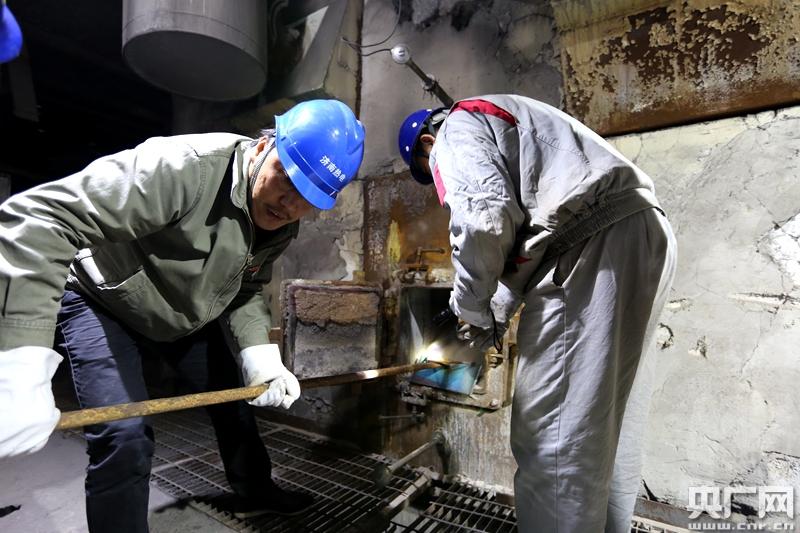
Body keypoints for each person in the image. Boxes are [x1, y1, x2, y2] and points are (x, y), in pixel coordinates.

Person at [0, 99, 365, 532]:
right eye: (287, 177)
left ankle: (256, 494)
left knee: (234, 402)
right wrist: (20, 362)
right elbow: (41, 220)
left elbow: (245, 286)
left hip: (181, 314)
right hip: (102, 301)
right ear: (263, 147)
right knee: (125, 436)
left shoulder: (280, 221)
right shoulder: (183, 167)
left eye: (308, 197)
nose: (289, 204)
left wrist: (259, 354)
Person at [398, 95, 677, 533]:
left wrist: (469, 308)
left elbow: (483, 219)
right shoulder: (516, 123)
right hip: (641, 232)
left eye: (428, 170)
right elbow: (525, 235)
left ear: (427, 144)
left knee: (553, 444)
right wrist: (494, 312)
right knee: (609, 427)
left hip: (589, 249)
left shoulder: (456, 127)